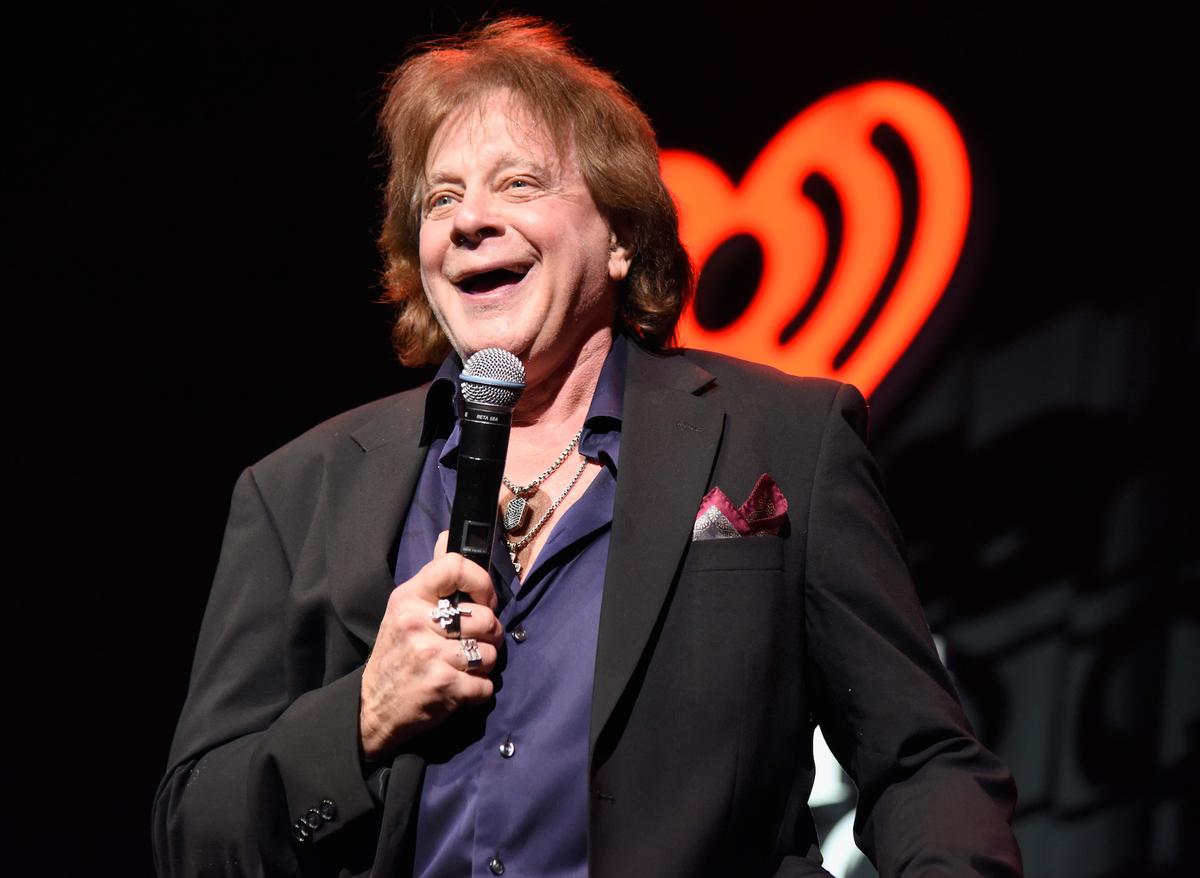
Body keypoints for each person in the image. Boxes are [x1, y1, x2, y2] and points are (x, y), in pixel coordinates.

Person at [153, 16, 1023, 878]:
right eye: (441, 198)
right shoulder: (298, 492)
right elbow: (196, 836)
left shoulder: (785, 440)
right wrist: (360, 723)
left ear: (617, 238)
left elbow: (923, 765)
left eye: (518, 183)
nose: (469, 222)